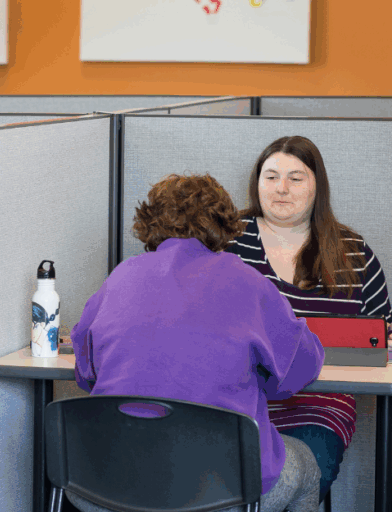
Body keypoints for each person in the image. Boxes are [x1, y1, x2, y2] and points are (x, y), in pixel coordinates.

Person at [69, 174, 324, 512]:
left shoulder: (121, 276)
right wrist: (252, 380)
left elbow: (86, 374)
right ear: (224, 224)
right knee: (306, 464)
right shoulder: (247, 282)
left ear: (150, 221)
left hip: (109, 483)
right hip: (222, 490)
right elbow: (300, 370)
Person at [224, 135, 392, 501]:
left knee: (292, 487)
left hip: (318, 403)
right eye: (271, 176)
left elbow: (387, 337)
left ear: (317, 187)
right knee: (216, 488)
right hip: (236, 397)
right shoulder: (228, 242)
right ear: (256, 183)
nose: (281, 188)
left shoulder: (352, 252)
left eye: (296, 177)